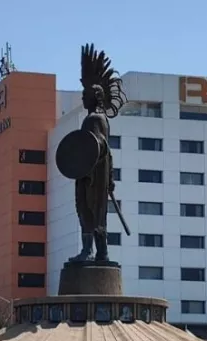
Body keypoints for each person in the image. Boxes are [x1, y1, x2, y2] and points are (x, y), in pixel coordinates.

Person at [69, 44, 126, 263]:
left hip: (92, 176)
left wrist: (106, 177)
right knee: (94, 212)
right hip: (91, 174)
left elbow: (99, 147)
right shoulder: (96, 118)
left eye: (86, 95)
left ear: (95, 97)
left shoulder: (94, 119)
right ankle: (100, 252)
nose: (83, 99)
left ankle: (90, 251)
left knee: (88, 211)